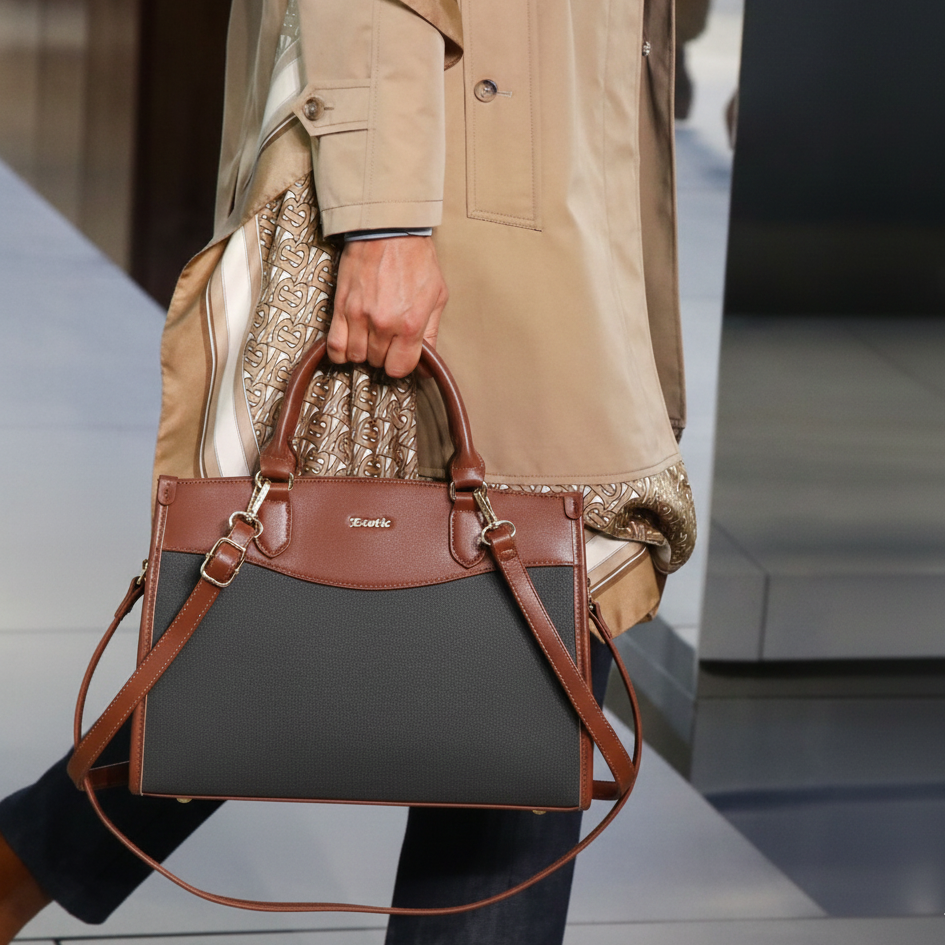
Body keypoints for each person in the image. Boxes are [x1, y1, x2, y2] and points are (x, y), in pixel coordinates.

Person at [0, 1, 695, 942]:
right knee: (524, 637)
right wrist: (385, 221)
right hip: (454, 181)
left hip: (557, 174)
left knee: (500, 661)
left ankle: (21, 865)